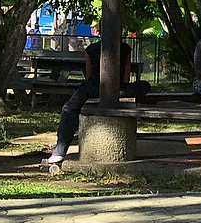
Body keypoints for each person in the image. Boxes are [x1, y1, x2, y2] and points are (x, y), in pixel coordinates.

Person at [46, 37, 150, 165]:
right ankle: (59, 150)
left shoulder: (91, 49)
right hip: (119, 89)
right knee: (144, 85)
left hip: (93, 89)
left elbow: (89, 74)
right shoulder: (125, 49)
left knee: (69, 108)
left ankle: (60, 150)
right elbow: (126, 77)